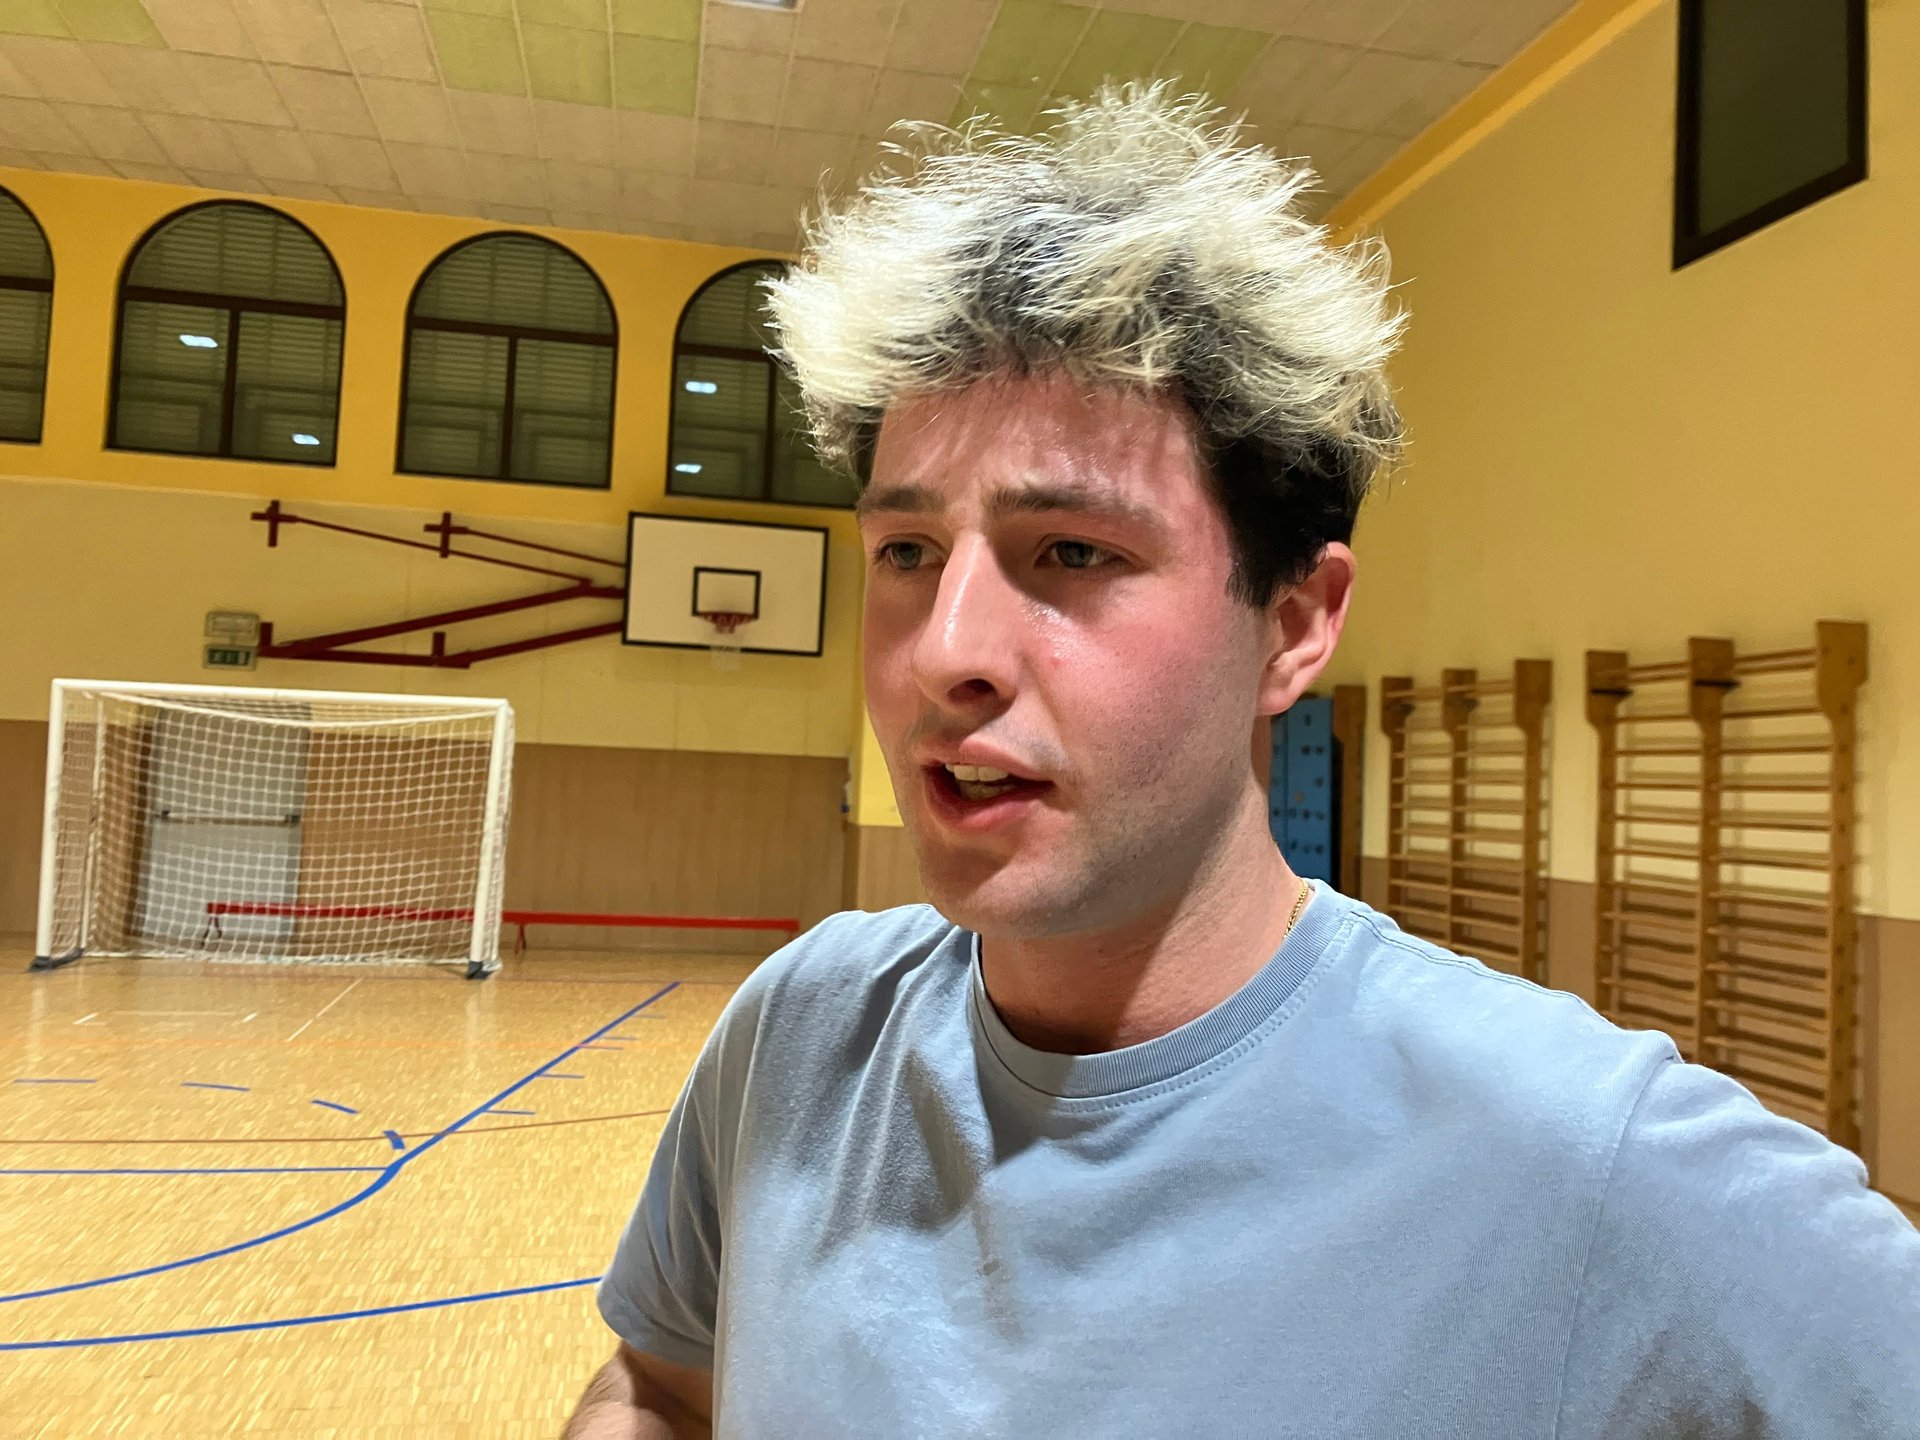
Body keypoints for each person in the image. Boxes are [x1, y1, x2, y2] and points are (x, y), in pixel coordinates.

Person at [564, 85, 1920, 1438]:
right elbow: (663, 1386)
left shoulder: (1587, 1161)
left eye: (1073, 551)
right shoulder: (798, 1030)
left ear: (1294, 622)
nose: (945, 650)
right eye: (907, 551)